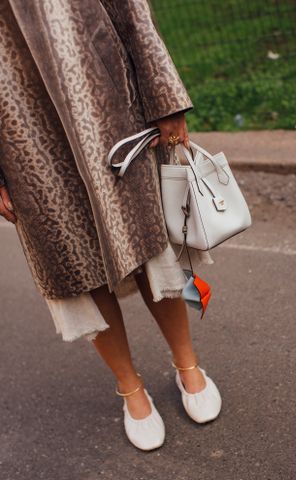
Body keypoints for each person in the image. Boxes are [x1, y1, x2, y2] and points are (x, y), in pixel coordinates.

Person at [0, 0, 222, 451]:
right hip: (19, 126)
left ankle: (187, 365)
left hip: (105, 97)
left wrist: (164, 95)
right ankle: (130, 388)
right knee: (73, 261)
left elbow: (133, 9)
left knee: (147, 241)